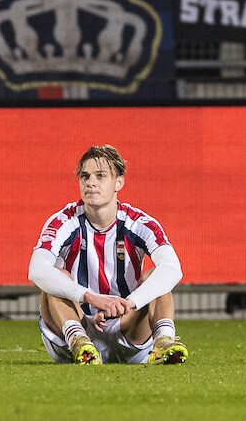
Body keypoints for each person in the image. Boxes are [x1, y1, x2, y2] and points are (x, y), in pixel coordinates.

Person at [28, 145, 188, 366]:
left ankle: (163, 342)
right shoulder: (64, 221)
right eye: (85, 176)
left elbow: (172, 268)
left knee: (156, 277)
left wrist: (130, 303)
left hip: (128, 328)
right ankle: (79, 342)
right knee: (55, 276)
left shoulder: (139, 223)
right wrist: (90, 297)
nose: (90, 182)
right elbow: (37, 270)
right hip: (78, 323)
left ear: (119, 182)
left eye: (100, 176)